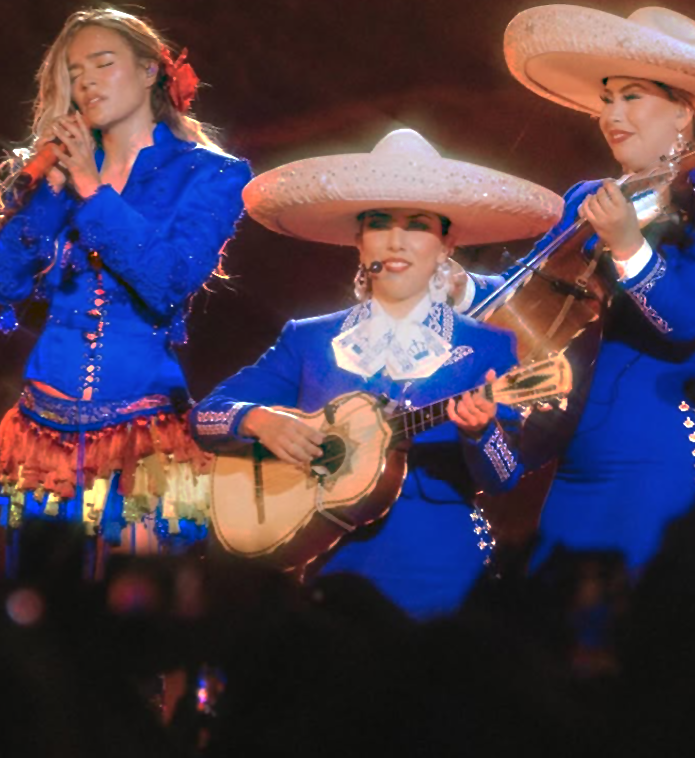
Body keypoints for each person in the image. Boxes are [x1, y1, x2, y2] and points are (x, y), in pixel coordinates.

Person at [189, 128, 563, 619]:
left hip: (444, 575)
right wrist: (260, 421)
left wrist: (480, 431)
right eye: (380, 223)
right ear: (358, 240)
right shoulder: (308, 339)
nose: (396, 240)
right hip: (327, 574)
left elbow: (503, 479)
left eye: (418, 224)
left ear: (447, 240)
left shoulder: (487, 346)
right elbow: (205, 418)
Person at [0, 7, 250, 573]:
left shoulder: (212, 175)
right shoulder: (62, 168)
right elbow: (0, 281)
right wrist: (48, 194)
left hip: (145, 434)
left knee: (139, 617)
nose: (88, 81)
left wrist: (92, 190)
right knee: (44, 615)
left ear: (151, 72)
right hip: (40, 432)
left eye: (104, 63)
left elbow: (168, 280)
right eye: (75, 72)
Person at [461, 4, 695, 576]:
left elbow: (686, 319)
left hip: (661, 455)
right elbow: (537, 298)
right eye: (606, 98)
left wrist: (627, 244)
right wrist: (458, 284)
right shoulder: (588, 196)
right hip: (573, 450)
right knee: (559, 628)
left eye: (632, 96)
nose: (610, 113)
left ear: (685, 110)